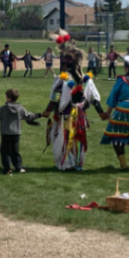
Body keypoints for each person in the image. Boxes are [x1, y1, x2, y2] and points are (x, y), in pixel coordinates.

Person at [42, 40, 106, 171]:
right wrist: (101, 113)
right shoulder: (86, 79)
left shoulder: (64, 79)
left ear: (65, 64)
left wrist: (48, 110)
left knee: (66, 137)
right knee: (77, 137)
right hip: (80, 115)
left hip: (66, 114)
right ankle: (77, 163)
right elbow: (94, 98)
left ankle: (67, 163)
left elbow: (57, 96)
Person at [0, 88, 40, 175]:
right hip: (16, 133)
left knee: (5, 151)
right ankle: (19, 167)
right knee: (15, 151)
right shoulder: (20, 108)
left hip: (6, 134)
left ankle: (8, 169)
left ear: (8, 98)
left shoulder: (4, 109)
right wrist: (39, 115)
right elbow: (29, 116)